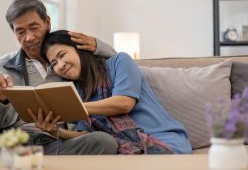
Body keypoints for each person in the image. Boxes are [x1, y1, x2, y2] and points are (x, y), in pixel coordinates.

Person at [0, 0, 118, 168]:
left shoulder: (68, 60)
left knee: (103, 141)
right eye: (20, 32)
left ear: (47, 23)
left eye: (34, 27)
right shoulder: (0, 67)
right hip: (12, 144)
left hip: (59, 142)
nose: (29, 37)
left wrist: (97, 45)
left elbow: (114, 64)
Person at [36, 30, 192, 154]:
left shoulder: (120, 61)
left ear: (79, 49)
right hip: (123, 150)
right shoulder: (78, 93)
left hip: (163, 140)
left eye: (62, 55)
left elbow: (124, 103)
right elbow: (89, 137)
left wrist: (74, 107)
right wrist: (57, 131)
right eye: (54, 63)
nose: (61, 65)